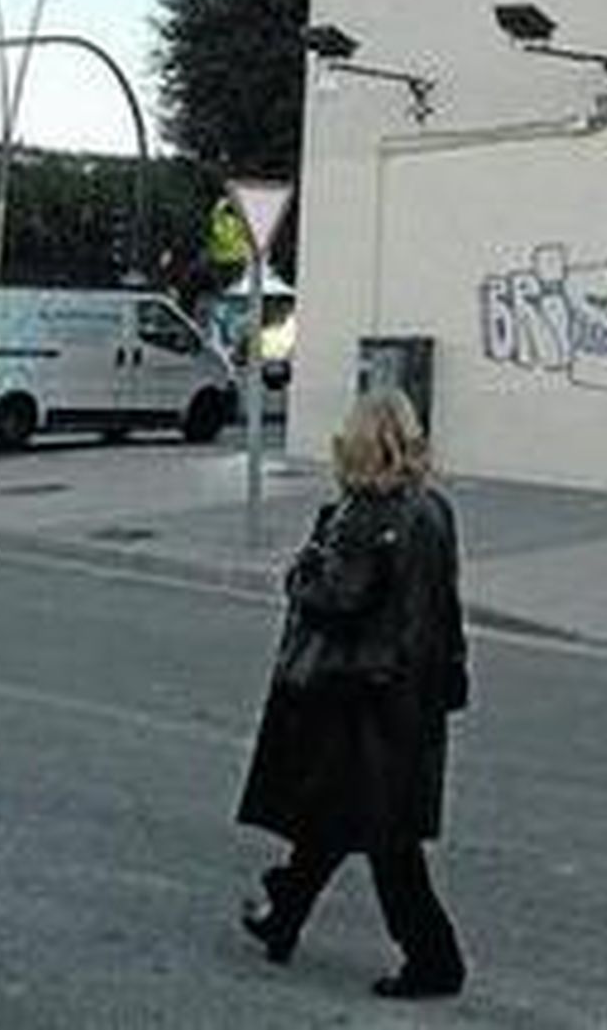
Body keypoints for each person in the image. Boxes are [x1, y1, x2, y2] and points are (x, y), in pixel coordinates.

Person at [236, 389, 469, 999]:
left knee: (385, 835)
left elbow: (336, 599)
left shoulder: (365, 515)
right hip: (409, 690)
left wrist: (301, 572)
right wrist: (452, 672)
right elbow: (446, 603)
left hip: (356, 691)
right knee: (336, 813)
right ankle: (284, 913)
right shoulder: (433, 509)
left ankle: (434, 959)